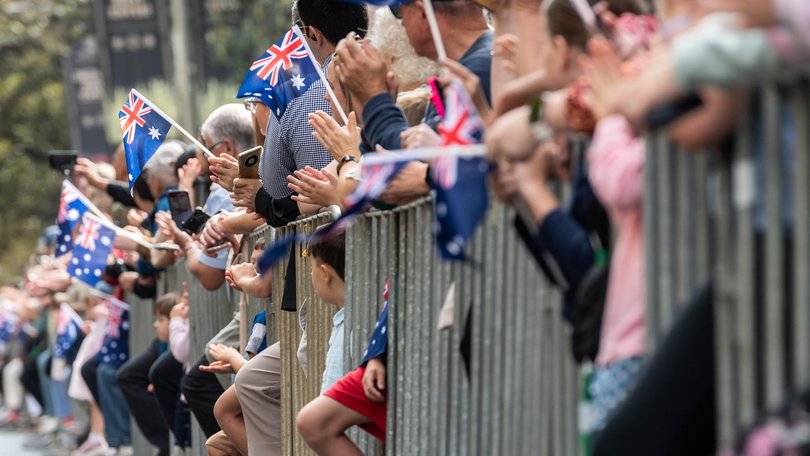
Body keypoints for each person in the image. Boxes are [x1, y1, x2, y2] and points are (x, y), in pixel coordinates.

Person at [116, 293, 178, 456]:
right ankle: (165, 442)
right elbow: (128, 375)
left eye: (161, 320)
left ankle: (167, 442)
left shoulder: (178, 340)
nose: (155, 325)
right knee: (126, 375)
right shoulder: (161, 342)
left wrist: (157, 381)